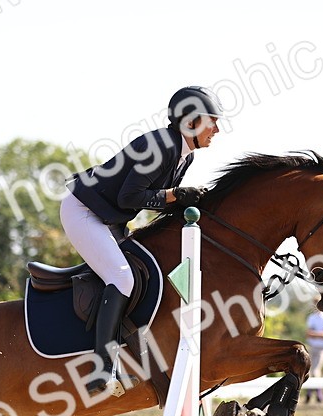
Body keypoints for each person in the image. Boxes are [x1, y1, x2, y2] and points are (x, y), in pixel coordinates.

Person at [63, 85, 222, 397]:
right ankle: (101, 368)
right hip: (85, 212)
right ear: (190, 122)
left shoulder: (183, 155)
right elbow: (130, 196)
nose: (217, 129)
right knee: (121, 276)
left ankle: (131, 354)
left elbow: (150, 200)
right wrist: (176, 195)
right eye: (212, 121)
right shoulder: (161, 145)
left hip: (111, 217)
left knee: (143, 274)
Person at [304, 308, 323, 403]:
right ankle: (317, 394)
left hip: (321, 347)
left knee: (315, 370)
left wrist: (315, 334)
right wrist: (322, 334)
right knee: (313, 370)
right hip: (313, 346)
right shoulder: (312, 318)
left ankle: (313, 393)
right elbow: (309, 333)